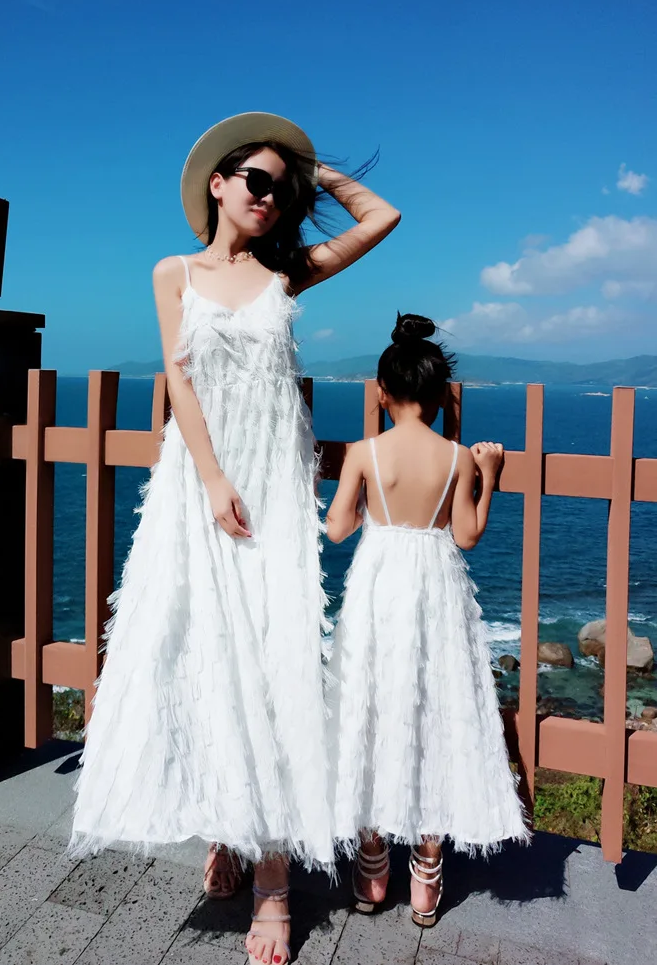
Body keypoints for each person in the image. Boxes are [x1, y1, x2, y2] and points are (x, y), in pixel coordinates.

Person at [69, 112, 400, 965]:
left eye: (281, 188)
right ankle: (227, 823)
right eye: (256, 179)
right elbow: (178, 378)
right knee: (205, 654)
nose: (269, 197)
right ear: (216, 184)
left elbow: (383, 217)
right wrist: (213, 478)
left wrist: (316, 172)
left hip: (276, 490)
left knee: (272, 659)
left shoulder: (286, 273)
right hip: (201, 483)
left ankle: (273, 878)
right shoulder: (173, 271)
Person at [325, 312, 529, 928]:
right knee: (437, 708)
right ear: (441, 398)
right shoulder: (458, 457)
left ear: (382, 394)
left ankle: (372, 860)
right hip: (437, 589)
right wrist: (489, 477)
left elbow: (337, 528)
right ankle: (427, 867)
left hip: (379, 589)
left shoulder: (364, 452)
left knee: (371, 705)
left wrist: (360, 506)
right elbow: (466, 535)